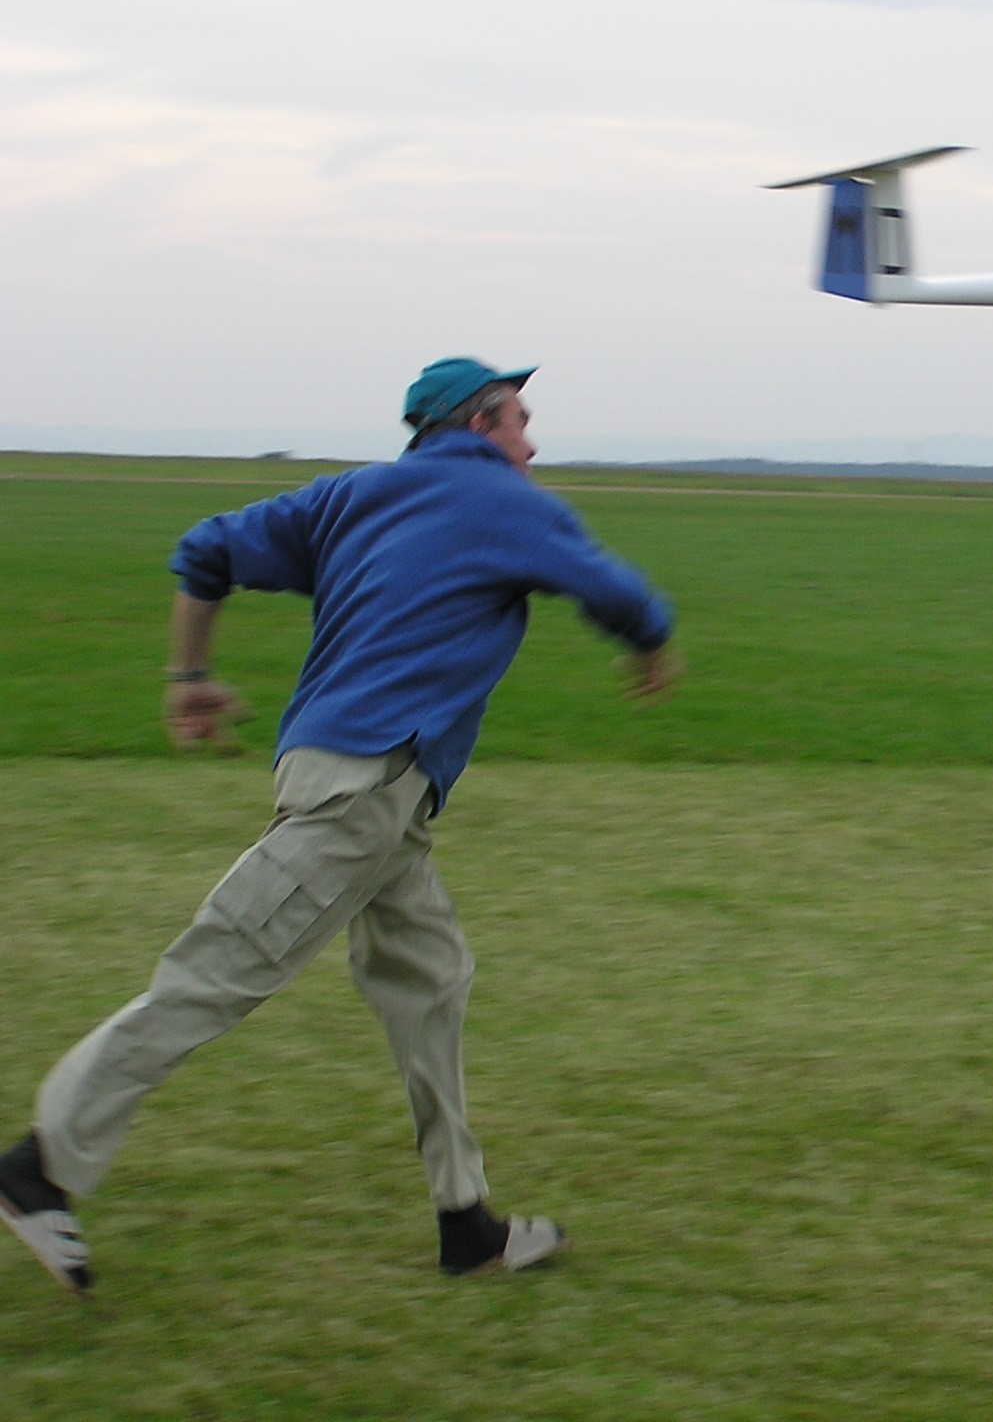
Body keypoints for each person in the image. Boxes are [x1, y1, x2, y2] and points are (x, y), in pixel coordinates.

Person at [0, 358, 681, 1293]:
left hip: (358, 785)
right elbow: (623, 597)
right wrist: (651, 644)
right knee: (215, 972)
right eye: (520, 420)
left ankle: (466, 1223)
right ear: (479, 426)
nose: (532, 442)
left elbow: (204, 552)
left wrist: (187, 678)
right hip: (365, 789)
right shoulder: (500, 499)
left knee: (431, 981)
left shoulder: (348, 497)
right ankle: (38, 1167)